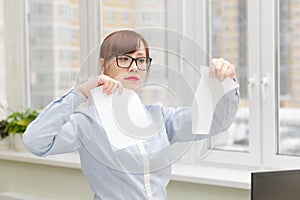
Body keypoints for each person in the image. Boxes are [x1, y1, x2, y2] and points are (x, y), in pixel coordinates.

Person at [23, 30, 239, 200]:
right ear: (103, 66)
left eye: (142, 60)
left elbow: (215, 122)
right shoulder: (85, 124)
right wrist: (81, 92)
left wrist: (226, 81)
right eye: (125, 59)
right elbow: (35, 142)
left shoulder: (159, 117)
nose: (135, 67)